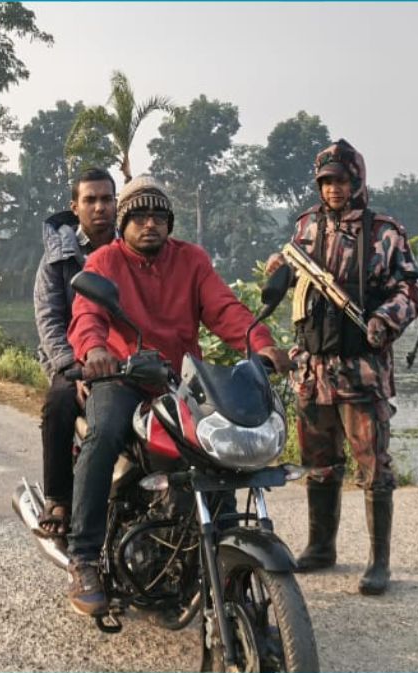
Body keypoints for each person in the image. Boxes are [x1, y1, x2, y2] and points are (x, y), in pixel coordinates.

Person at [65, 176, 290, 616]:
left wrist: (259, 343)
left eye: (159, 217)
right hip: (124, 376)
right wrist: (94, 350)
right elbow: (87, 312)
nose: (150, 224)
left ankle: (217, 547)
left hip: (180, 379)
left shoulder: (191, 260)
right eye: (140, 217)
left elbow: (224, 308)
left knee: (218, 450)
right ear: (124, 222)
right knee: (104, 433)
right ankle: (85, 556)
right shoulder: (105, 262)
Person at [266, 139, 418, 596]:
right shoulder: (306, 226)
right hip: (312, 366)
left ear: (357, 180)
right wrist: (279, 270)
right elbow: (291, 277)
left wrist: (383, 319)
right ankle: (320, 546)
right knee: (319, 462)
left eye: (342, 180)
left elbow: (412, 288)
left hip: (361, 368)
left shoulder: (385, 231)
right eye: (326, 182)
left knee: (374, 466)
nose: (334, 189)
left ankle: (378, 563)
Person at [32, 167, 117, 541]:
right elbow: (49, 317)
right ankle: (58, 498)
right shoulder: (58, 256)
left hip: (125, 358)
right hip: (73, 358)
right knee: (60, 402)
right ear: (75, 206)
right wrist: (74, 367)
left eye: (107, 199)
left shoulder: (130, 246)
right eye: (90, 200)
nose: (100, 207)